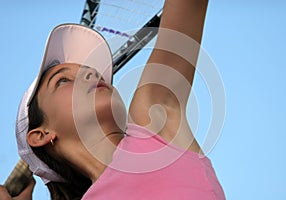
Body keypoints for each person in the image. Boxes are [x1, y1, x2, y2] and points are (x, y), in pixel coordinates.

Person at [4, 0, 225, 199]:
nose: (90, 74)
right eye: (62, 81)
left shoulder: (155, 127)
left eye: (88, 69)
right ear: (41, 135)